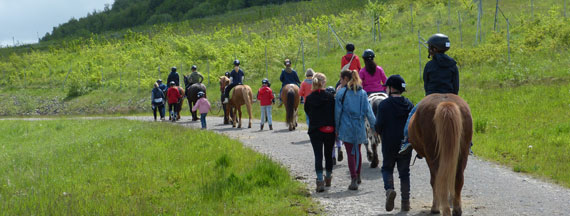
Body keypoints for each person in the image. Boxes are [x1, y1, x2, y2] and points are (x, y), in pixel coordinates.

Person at [399, 33, 460, 155]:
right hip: (450, 96)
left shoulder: (429, 65)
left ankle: (406, 140)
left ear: (434, 49)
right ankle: (468, 143)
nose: (429, 49)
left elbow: (426, 85)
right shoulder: (453, 65)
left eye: (430, 47)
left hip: (432, 96)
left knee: (412, 115)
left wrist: (429, 97)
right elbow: (456, 86)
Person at [374, 75, 414, 212]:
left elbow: (378, 126)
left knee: (387, 168)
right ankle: (405, 203)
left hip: (389, 143)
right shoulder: (409, 104)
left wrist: (378, 132)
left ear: (391, 88)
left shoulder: (384, 105)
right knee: (404, 173)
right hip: (405, 144)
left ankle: (389, 190)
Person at [335, 69, 376, 190]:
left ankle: (353, 177)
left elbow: (337, 113)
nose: (340, 81)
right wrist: (374, 126)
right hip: (359, 125)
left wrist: (336, 128)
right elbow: (369, 112)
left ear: (346, 79)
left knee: (350, 153)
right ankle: (358, 175)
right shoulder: (363, 93)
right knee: (357, 151)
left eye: (341, 79)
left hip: (346, 126)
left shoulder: (341, 93)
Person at [304, 72, 336, 192]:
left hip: (315, 130)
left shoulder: (309, 98)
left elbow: (307, 112)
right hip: (329, 130)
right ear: (323, 83)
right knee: (328, 155)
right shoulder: (330, 97)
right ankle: (328, 178)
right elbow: (334, 113)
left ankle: (319, 181)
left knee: (318, 156)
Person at [325, 86, 343, 164]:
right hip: (338, 124)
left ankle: (333, 157)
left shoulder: (326, 103)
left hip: (329, 125)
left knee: (331, 143)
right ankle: (339, 147)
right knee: (338, 139)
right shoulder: (337, 102)